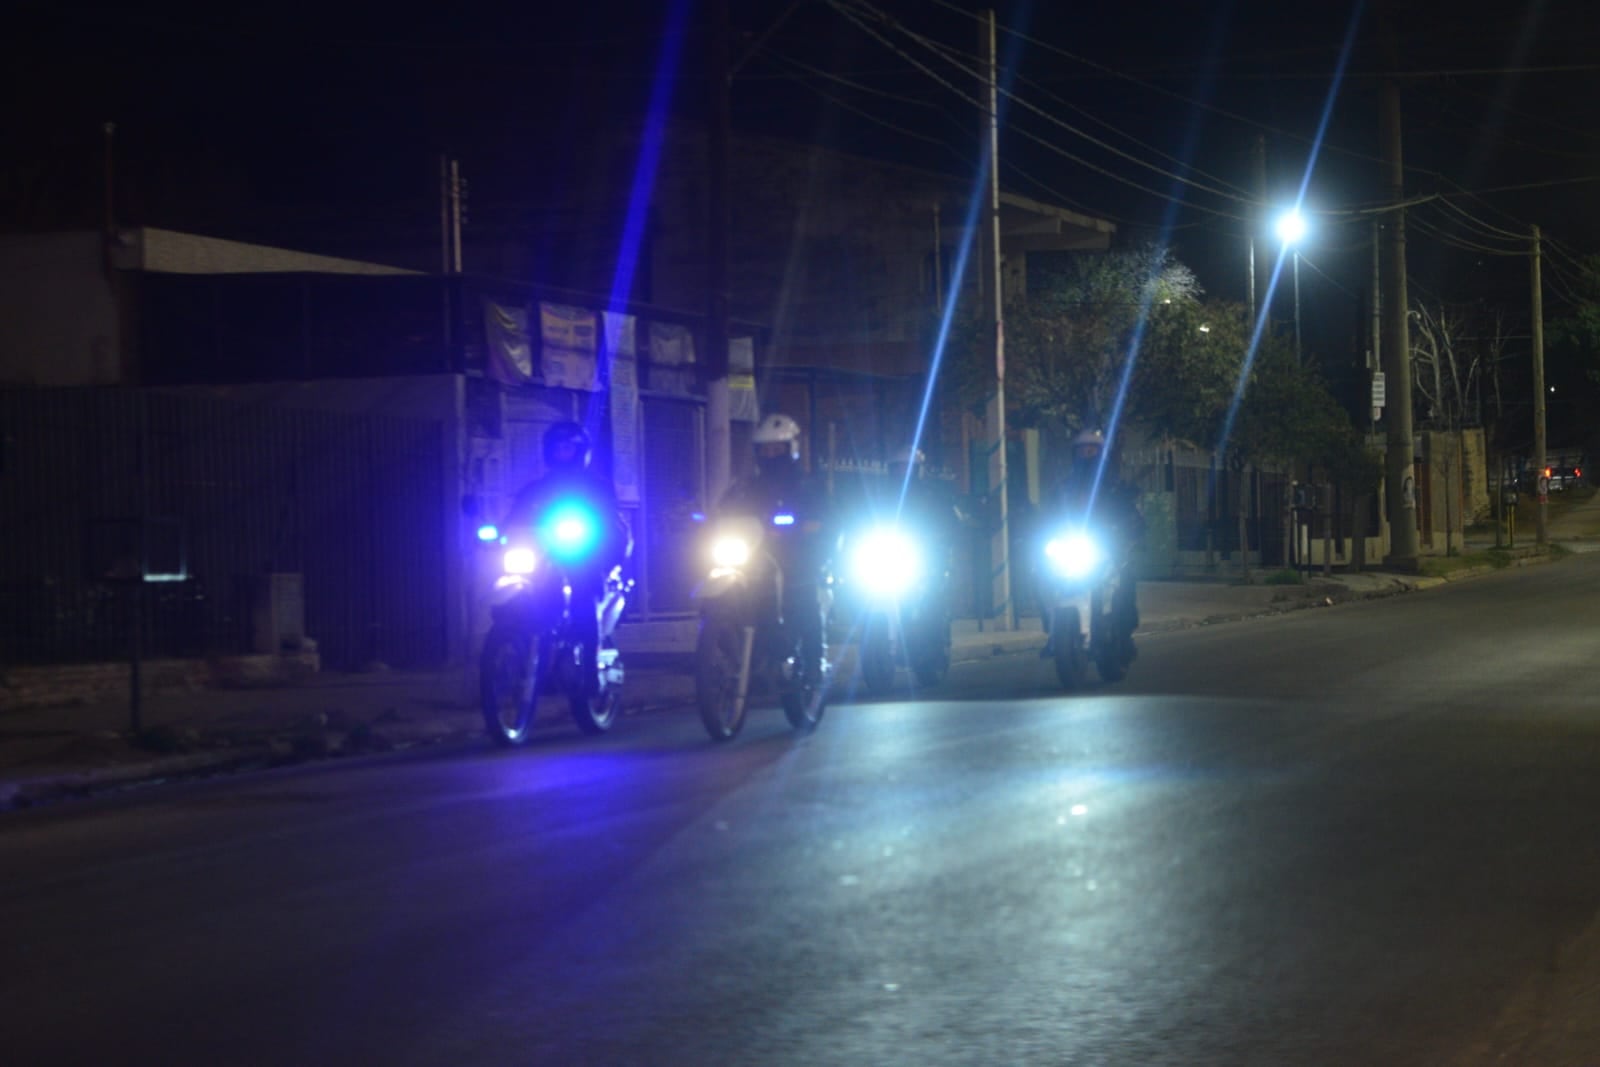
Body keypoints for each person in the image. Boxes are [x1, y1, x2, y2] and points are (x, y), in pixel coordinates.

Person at [502, 420, 633, 692]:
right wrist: (497, 534)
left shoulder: (596, 486)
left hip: (584, 557)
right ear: (548, 452)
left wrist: (596, 533)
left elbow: (610, 521)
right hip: (545, 559)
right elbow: (514, 518)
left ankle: (589, 671)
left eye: (568, 448)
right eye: (557, 448)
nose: (562, 454)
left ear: (580, 451)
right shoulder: (536, 488)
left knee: (584, 600)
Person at [717, 413, 836, 681]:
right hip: (756, 555)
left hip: (796, 556)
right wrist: (709, 519)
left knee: (803, 595)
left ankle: (814, 662)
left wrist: (811, 524)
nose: (771, 455)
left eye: (776, 449)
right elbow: (726, 508)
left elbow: (826, 516)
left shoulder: (807, 485)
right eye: (765, 450)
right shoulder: (748, 486)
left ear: (790, 449)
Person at [1042, 428, 1143, 645]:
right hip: (1073, 543)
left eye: (1092, 450)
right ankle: (1052, 630)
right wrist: (1038, 529)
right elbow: (1049, 513)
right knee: (1043, 574)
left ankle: (1122, 632)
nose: (1087, 454)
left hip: (1107, 544)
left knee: (1123, 578)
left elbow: (1130, 511)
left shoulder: (1114, 485)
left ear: (1101, 453)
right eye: (1082, 450)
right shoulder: (1064, 487)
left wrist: (1131, 527)